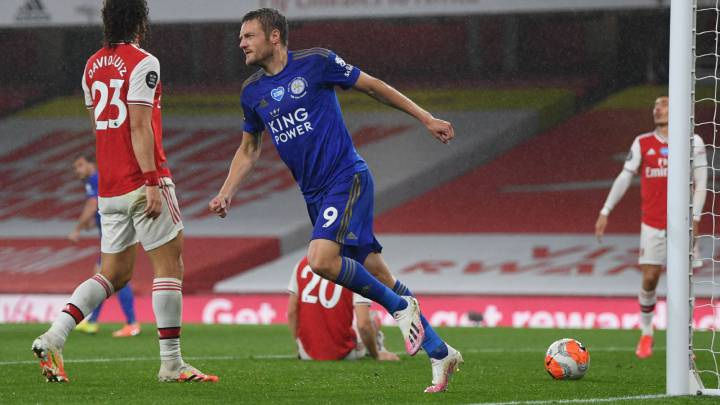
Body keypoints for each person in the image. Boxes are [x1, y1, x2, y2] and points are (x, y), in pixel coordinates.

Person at [209, 8, 461, 392]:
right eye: (241, 37)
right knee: (379, 274)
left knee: (321, 260)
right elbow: (249, 148)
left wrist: (425, 117)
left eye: (248, 35)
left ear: (274, 36)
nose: (240, 42)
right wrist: (226, 192)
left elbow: (373, 86)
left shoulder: (317, 62)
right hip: (315, 196)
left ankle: (399, 308)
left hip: (346, 178)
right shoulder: (252, 92)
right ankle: (440, 352)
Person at [32, 0, 217, 383]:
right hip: (141, 180)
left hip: (110, 187)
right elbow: (138, 126)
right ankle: (171, 364)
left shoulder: (90, 66)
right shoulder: (144, 62)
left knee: (114, 273)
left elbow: (97, 127)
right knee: (170, 266)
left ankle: (54, 336)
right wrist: (151, 180)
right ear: (140, 21)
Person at [595, 96, 707, 359]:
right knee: (649, 278)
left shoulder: (694, 141)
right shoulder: (643, 142)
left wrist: (696, 218)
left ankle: (686, 343)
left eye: (664, 104)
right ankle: (646, 332)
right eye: (655, 105)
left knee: (684, 284)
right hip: (652, 223)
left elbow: (701, 183)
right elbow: (625, 177)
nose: (657, 109)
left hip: (684, 225)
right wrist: (605, 210)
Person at [70, 155, 141, 338]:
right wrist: (92, 221)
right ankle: (93, 322)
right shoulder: (94, 180)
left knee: (116, 277)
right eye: (75, 167)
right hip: (112, 234)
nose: (77, 170)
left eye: (80, 165)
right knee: (104, 276)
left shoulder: (95, 179)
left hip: (115, 235)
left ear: (91, 164)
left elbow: (92, 204)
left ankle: (131, 323)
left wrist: (77, 229)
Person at [287, 256, 400, 361]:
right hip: (344, 352)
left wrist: (300, 345)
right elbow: (364, 324)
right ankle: (377, 348)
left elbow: (292, 312)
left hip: (306, 353)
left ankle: (303, 347)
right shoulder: (357, 269)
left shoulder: (302, 264)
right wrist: (376, 355)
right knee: (374, 317)